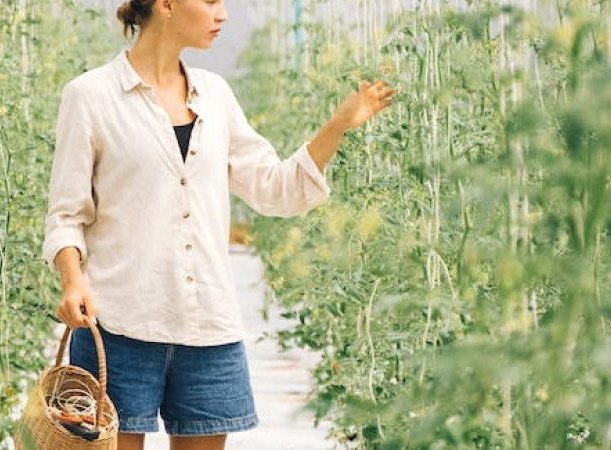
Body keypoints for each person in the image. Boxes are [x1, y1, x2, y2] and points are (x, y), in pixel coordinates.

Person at [40, 1, 396, 448]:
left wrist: (339, 125)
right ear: (166, 4)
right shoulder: (90, 96)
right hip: (118, 327)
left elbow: (274, 188)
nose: (222, 14)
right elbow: (67, 215)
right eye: (210, 1)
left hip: (207, 328)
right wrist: (73, 282)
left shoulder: (215, 95)